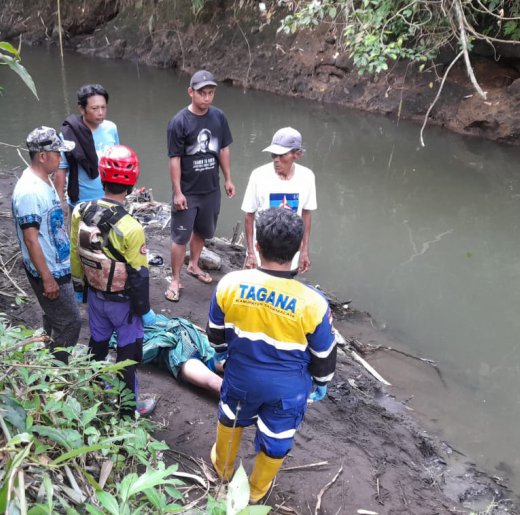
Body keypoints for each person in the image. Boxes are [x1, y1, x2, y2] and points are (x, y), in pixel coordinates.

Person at [206, 208, 337, 503]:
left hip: (240, 375)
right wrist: (321, 381)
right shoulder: (313, 303)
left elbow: (215, 332)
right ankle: (256, 491)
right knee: (278, 437)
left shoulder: (230, 284)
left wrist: (221, 355)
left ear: (257, 245)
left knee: (232, 417)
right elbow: (324, 353)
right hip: (288, 389)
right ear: (297, 249)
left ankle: (223, 469)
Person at [70, 145, 157, 416]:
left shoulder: (80, 211)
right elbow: (139, 275)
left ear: (101, 176)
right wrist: (144, 310)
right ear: (131, 184)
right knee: (128, 356)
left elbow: (76, 253)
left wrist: (79, 290)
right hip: (124, 305)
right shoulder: (132, 227)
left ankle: (93, 393)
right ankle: (128, 410)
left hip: (95, 296)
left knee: (97, 344)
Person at [12, 127, 82, 362]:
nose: (60, 158)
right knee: (71, 321)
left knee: (56, 317)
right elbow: (31, 239)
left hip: (56, 265)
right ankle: (56, 371)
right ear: (42, 156)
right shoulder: (30, 192)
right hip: (50, 271)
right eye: (57, 153)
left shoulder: (43, 181)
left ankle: (46, 351)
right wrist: (47, 278)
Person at [165, 69, 235, 302]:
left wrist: (227, 178)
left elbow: (223, 149)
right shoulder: (179, 122)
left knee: (203, 232)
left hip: (210, 189)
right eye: (202, 93)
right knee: (180, 237)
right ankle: (175, 279)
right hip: (188, 190)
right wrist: (178, 192)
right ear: (190, 92)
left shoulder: (219, 117)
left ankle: (193, 265)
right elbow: (174, 158)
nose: (206, 97)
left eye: (210, 93)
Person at [241, 127, 317, 274]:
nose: (276, 160)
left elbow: (306, 214)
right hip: (262, 251)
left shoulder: (307, 177)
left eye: (282, 155)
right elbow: (249, 215)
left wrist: (304, 251)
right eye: (273, 155)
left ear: (297, 154)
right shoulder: (258, 176)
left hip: (290, 253)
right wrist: (251, 253)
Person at [57, 84, 120, 212]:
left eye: (103, 107)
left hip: (109, 201)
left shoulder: (111, 128)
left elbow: (118, 161)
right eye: (95, 108)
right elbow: (61, 170)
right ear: (82, 109)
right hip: (81, 204)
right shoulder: (69, 134)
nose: (101, 112)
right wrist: (58, 203)